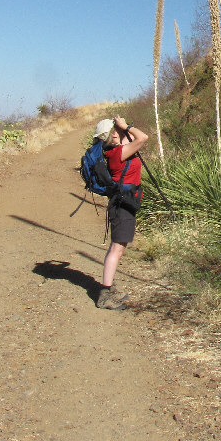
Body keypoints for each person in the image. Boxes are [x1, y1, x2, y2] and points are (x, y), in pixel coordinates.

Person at [93, 115, 148, 309]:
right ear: (113, 135)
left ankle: (108, 287)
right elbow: (142, 138)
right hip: (122, 205)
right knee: (117, 248)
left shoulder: (117, 151)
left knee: (118, 247)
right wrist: (127, 126)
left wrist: (123, 130)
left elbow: (135, 140)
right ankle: (105, 295)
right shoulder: (118, 154)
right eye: (117, 130)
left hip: (124, 203)